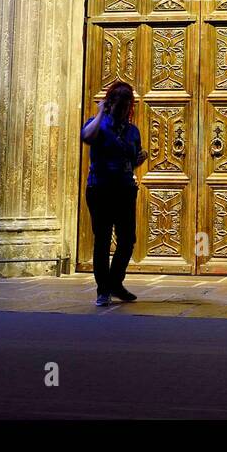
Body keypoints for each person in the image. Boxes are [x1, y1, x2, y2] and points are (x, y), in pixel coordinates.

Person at [80, 81, 146, 306]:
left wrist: (138, 160)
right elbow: (86, 137)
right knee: (103, 239)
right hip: (100, 189)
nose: (124, 111)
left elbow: (130, 161)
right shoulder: (98, 124)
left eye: (127, 106)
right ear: (110, 104)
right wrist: (100, 112)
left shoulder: (132, 131)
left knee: (127, 240)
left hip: (125, 190)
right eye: (120, 106)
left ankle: (115, 283)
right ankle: (103, 290)